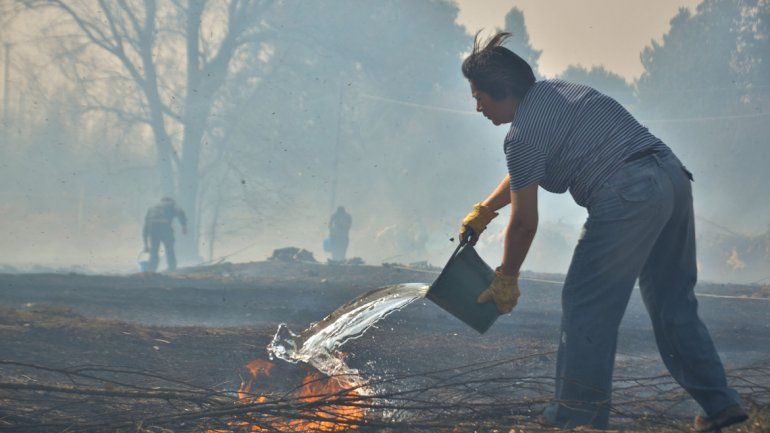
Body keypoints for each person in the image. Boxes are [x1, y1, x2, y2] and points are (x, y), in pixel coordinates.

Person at [460, 32, 746, 431]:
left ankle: (577, 419)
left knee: (585, 304)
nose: (477, 107)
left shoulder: (521, 135)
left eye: (478, 96)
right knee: (672, 302)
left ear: (501, 91)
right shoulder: (560, 92)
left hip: (629, 194)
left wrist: (506, 276)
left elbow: (525, 222)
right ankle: (721, 405)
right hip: (671, 177)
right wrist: (485, 210)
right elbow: (527, 173)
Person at [142, 197, 187, 272]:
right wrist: (184, 225)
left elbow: (145, 227)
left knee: (154, 251)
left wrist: (146, 244)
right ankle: (172, 269)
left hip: (152, 228)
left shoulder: (152, 207)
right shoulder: (172, 204)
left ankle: (151, 270)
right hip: (164, 227)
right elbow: (180, 211)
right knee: (169, 249)